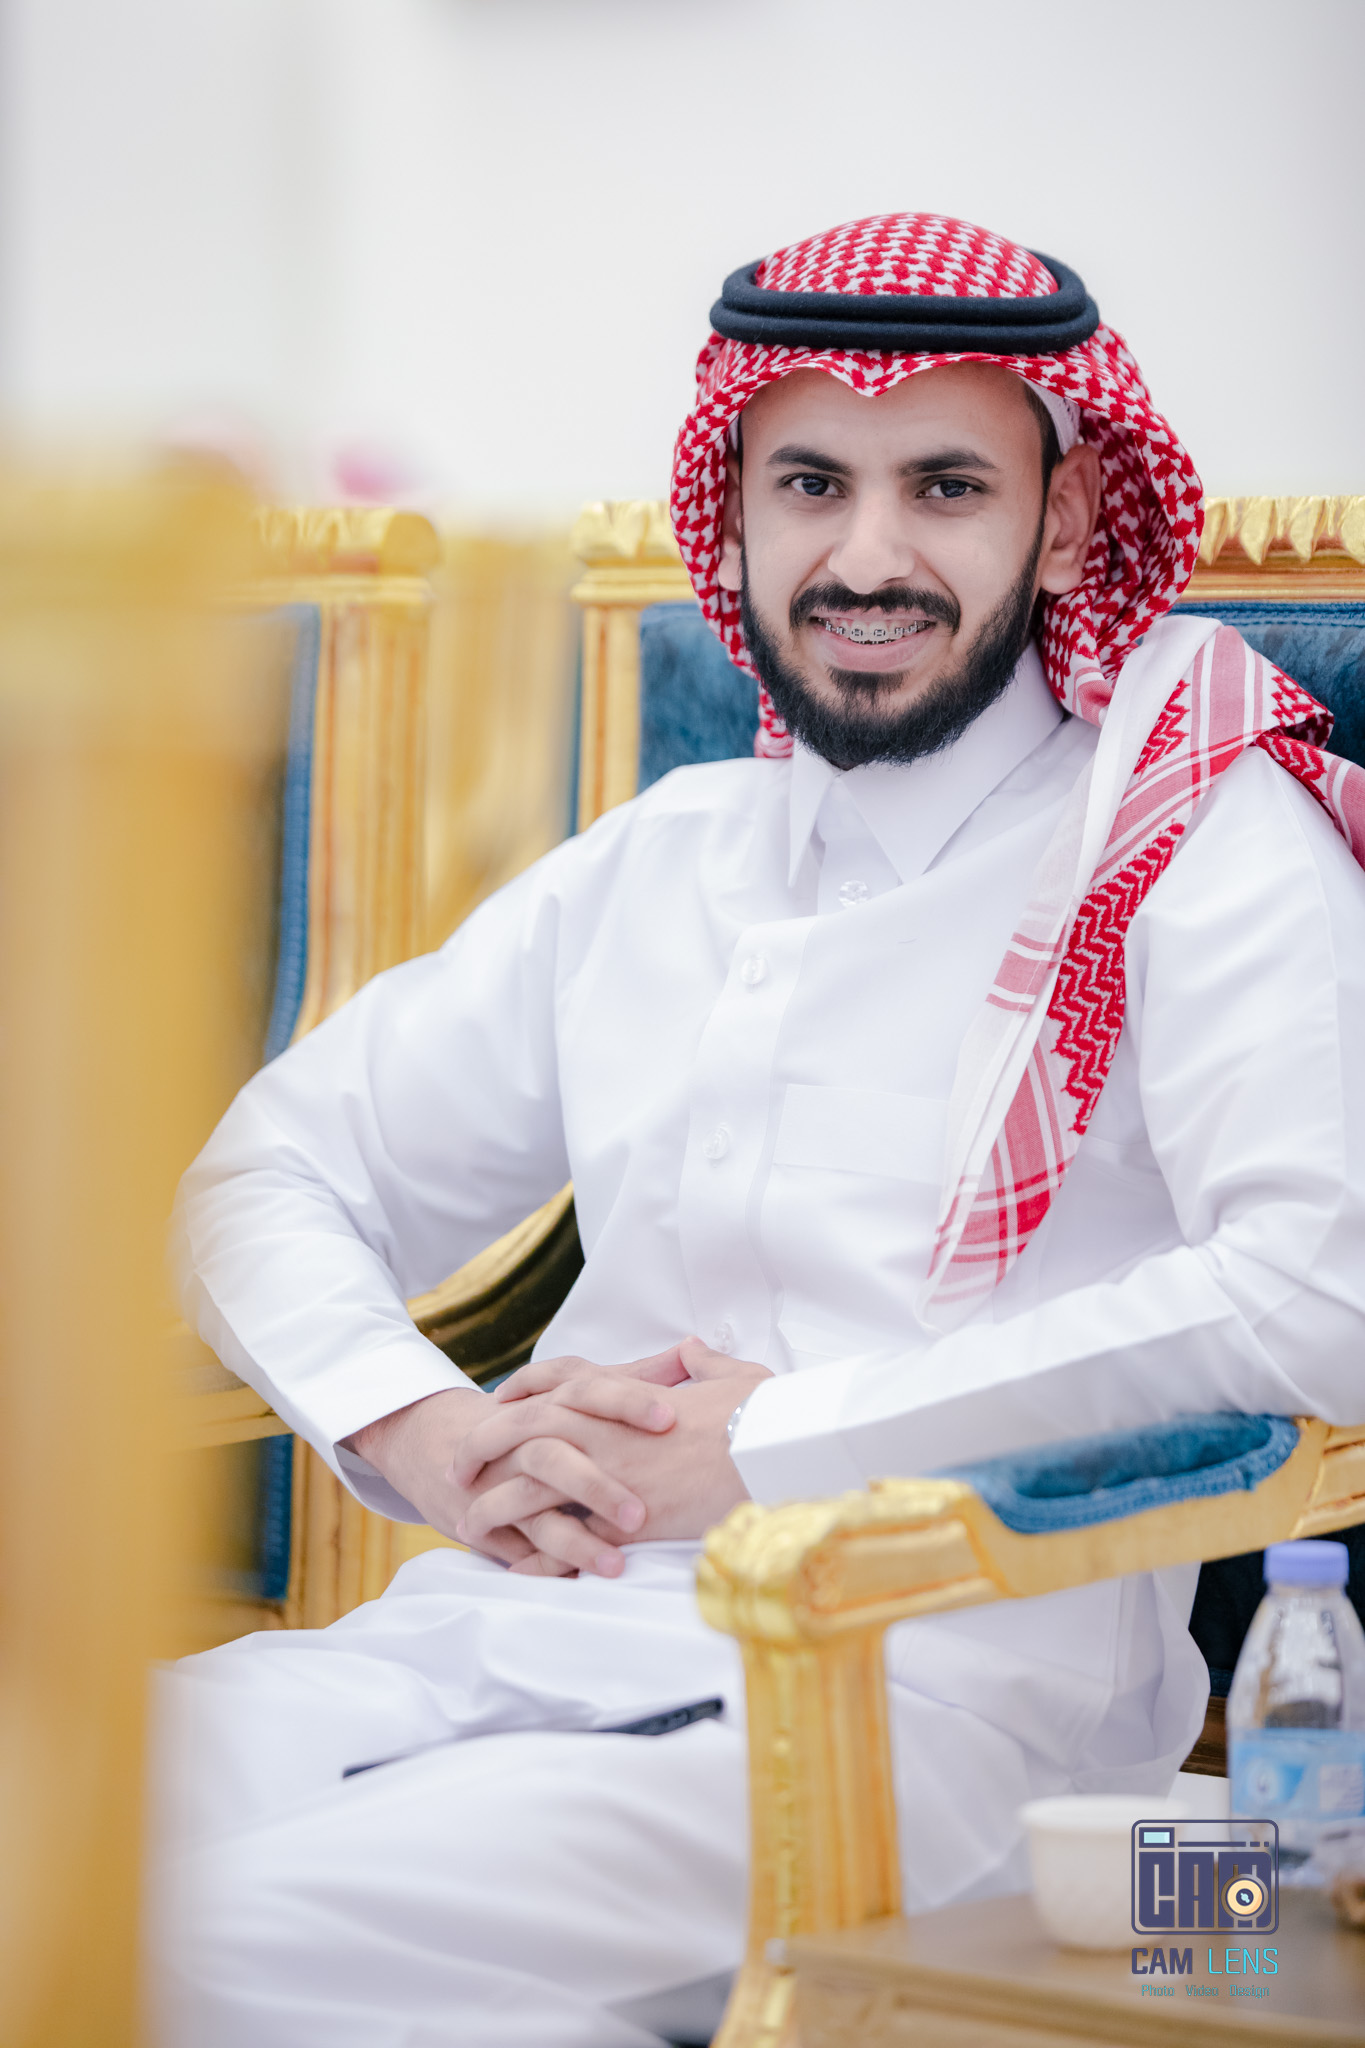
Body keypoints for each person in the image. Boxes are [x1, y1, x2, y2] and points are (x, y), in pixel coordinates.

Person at [163, 214, 1365, 2047]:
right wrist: (425, 1432)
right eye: (810, 483)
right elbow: (266, 1173)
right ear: (730, 515)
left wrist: (775, 1450)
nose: (865, 558)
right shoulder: (669, 855)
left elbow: (1321, 1291)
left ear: (1062, 520)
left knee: (193, 1952)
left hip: (921, 1717)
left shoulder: (1192, 842)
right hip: (497, 1631)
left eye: (943, 486)